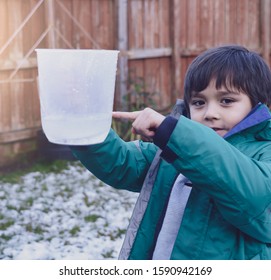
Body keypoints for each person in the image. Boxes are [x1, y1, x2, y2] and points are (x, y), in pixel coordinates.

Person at [71, 45, 271, 260]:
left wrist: (175, 133)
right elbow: (121, 163)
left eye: (227, 101)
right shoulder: (171, 153)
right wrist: (84, 123)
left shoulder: (263, 153)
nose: (210, 113)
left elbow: (253, 195)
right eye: (198, 102)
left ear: (256, 105)